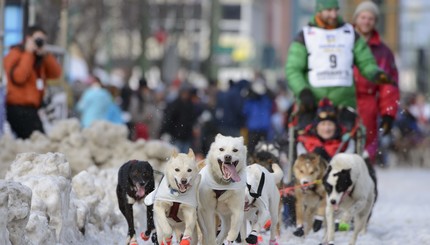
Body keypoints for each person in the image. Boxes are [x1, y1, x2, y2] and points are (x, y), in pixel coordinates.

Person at [285, 0, 393, 127]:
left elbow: (366, 62)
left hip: (344, 103)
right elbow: (293, 70)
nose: (334, 15)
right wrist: (303, 91)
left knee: (349, 143)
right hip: (313, 102)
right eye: (329, 11)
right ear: (319, 11)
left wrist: (376, 74)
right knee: (309, 142)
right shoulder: (305, 36)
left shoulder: (350, 33)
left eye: (336, 10)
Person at [352, 1, 400, 163]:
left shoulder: (383, 52)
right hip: (344, 98)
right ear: (356, 18)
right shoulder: (343, 42)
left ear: (375, 22)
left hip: (368, 103)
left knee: (367, 149)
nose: (366, 21)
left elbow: (389, 85)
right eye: (363, 17)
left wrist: (388, 113)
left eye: (371, 18)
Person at [3, 25, 62, 139]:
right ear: (28, 38)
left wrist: (46, 55)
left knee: (37, 141)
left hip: (33, 108)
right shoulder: (16, 54)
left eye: (42, 40)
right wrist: (28, 53)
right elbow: (19, 77)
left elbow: (56, 74)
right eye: (37, 40)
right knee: (38, 140)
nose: (39, 43)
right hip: (17, 108)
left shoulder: (40, 58)